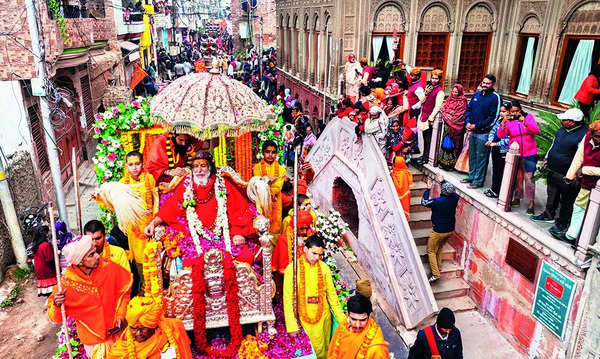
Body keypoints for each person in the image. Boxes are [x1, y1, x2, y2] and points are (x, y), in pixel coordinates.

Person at [144, 151, 258, 265]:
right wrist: (153, 224)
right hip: (195, 239)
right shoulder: (186, 186)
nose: (199, 170)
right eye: (196, 166)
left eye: (203, 166)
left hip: (224, 236)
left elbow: (238, 210)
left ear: (210, 168)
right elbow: (170, 208)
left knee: (244, 256)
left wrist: (238, 233)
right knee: (192, 262)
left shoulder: (223, 184)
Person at [48, 235, 132, 358]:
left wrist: (120, 315)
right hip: (92, 343)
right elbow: (55, 318)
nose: (98, 256)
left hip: (118, 335)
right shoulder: (66, 283)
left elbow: (124, 293)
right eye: (91, 255)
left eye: (95, 252)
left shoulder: (108, 267)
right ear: (80, 261)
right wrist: (56, 304)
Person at [283, 235, 346, 359]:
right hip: (303, 321)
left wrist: (343, 321)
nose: (317, 257)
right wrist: (291, 325)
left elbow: (332, 297)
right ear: (305, 249)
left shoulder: (324, 268)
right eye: (314, 253)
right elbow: (287, 298)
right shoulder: (292, 269)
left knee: (324, 350)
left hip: (323, 319)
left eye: (320, 254)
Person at [533, 109, 588, 237]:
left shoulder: (584, 135)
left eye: (564, 120)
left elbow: (581, 156)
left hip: (567, 174)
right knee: (552, 194)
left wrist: (574, 174)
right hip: (553, 169)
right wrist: (547, 158)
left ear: (573, 122)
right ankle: (548, 214)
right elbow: (553, 144)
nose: (561, 121)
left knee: (567, 200)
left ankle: (562, 224)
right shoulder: (562, 129)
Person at [556, 120, 600, 246]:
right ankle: (572, 235)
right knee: (579, 208)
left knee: (592, 215)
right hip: (586, 183)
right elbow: (579, 156)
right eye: (597, 136)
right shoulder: (587, 138)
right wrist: (570, 175)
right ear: (591, 134)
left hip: (596, 185)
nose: (599, 139)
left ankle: (583, 241)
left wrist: (585, 170)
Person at [107, 296, 193, 359]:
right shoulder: (123, 344)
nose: (138, 333)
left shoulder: (172, 329)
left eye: (143, 329)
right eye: (134, 329)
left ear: (154, 326)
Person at [496, 100, 539, 213]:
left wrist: (524, 122)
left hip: (530, 152)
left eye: (517, 111)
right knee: (518, 177)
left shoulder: (528, 117)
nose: (515, 113)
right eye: (512, 112)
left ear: (520, 110)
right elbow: (501, 135)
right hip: (516, 153)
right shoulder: (509, 120)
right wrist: (503, 122)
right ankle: (517, 198)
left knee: (529, 178)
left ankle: (531, 202)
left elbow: (535, 130)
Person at [461, 74, 501, 189]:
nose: (484, 85)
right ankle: (471, 176)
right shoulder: (477, 94)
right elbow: (468, 109)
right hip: (472, 131)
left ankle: (478, 181)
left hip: (484, 133)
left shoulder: (495, 97)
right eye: (483, 82)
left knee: (481, 157)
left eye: (487, 83)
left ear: (493, 84)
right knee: (472, 155)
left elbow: (493, 117)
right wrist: (468, 122)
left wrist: (477, 126)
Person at [327, 293, 390, 359]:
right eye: (353, 319)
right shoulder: (343, 326)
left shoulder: (376, 349)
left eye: (362, 320)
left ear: (368, 317)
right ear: (348, 315)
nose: (357, 325)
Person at [422, 177, 459, 282]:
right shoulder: (455, 198)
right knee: (439, 248)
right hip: (450, 229)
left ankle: (435, 273)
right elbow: (453, 192)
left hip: (438, 230)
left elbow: (424, 202)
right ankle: (438, 267)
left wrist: (428, 189)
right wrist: (443, 181)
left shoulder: (438, 201)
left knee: (431, 250)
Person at [253, 140, 287, 235]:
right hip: (261, 201)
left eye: (273, 152)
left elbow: (277, 187)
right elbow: (258, 185)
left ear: (276, 153)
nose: (270, 155)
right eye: (267, 152)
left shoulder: (281, 169)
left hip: (276, 202)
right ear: (263, 153)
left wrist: (266, 182)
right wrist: (267, 183)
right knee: (261, 225)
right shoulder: (257, 168)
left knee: (275, 227)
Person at [272, 209, 315, 274]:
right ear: (295, 227)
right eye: (302, 228)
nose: (305, 232)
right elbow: (284, 268)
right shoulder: (284, 239)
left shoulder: (310, 234)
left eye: (307, 228)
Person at [417, 69, 445, 165]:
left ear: (439, 80)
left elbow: (437, 106)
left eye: (436, 79)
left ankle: (426, 157)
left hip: (429, 117)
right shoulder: (429, 88)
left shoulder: (440, 92)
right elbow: (421, 101)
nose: (433, 80)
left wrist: (431, 118)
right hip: (424, 115)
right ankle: (424, 154)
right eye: (432, 78)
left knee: (429, 138)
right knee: (424, 137)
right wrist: (425, 94)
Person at [483, 103, 511, 198]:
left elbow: (509, 139)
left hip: (503, 150)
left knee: (501, 171)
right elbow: (493, 131)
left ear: (509, 112)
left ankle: (498, 191)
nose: (501, 113)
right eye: (500, 111)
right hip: (494, 148)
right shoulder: (499, 121)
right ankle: (493, 189)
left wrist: (497, 143)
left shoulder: (511, 123)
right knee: (495, 169)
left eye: (503, 112)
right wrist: (490, 140)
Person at [438, 84, 467, 171]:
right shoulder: (449, 99)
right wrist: (448, 115)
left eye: (456, 92)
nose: (454, 93)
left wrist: (450, 117)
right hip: (447, 126)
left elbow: (460, 114)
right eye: (453, 91)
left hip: (456, 127)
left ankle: (452, 165)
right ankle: (442, 162)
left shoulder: (463, 101)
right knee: (445, 143)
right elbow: (443, 109)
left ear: (460, 92)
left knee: (454, 145)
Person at [31, 225, 57, 296]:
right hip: (46, 269)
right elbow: (49, 258)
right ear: (46, 233)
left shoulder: (36, 245)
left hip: (39, 270)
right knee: (53, 291)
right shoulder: (45, 245)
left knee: (49, 293)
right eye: (48, 231)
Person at [406, 68, 426, 144]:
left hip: (414, 110)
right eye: (410, 75)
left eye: (412, 76)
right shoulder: (416, 82)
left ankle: (415, 145)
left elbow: (423, 99)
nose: (410, 77)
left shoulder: (418, 88)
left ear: (417, 77)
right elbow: (410, 69)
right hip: (412, 109)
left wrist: (413, 107)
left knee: (413, 127)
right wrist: (405, 65)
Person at [391, 156, 413, 220]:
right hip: (404, 195)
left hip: (403, 196)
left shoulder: (402, 174)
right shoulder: (402, 169)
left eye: (394, 162)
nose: (393, 164)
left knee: (402, 212)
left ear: (397, 164)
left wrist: (393, 176)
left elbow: (399, 187)